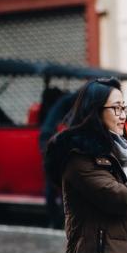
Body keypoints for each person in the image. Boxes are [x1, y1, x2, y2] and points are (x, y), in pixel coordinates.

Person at [45, 77, 127, 253]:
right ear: (95, 111)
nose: (123, 116)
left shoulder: (122, 154)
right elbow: (123, 199)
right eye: (116, 108)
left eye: (124, 108)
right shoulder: (79, 158)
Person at [39, 91, 78, 229]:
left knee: (56, 185)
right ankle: (57, 219)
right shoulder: (67, 105)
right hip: (51, 143)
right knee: (57, 184)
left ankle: (58, 219)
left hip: (50, 141)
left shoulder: (62, 105)